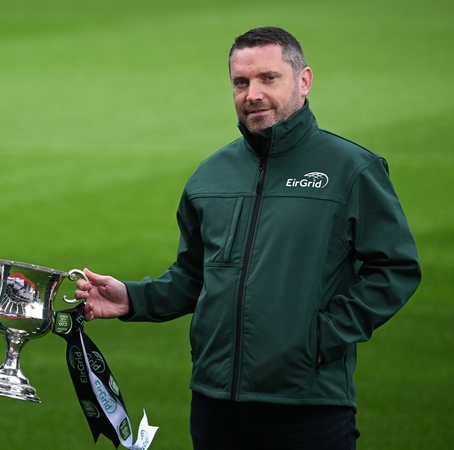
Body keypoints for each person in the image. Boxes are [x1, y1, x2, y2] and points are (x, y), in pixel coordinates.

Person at [75, 26, 421, 449]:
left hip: (306, 405)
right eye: (241, 82)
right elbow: (193, 276)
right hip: (214, 402)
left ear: (304, 80)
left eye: (268, 78)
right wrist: (132, 298)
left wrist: (322, 338)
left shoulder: (352, 169)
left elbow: (396, 269)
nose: (252, 93)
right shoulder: (209, 175)